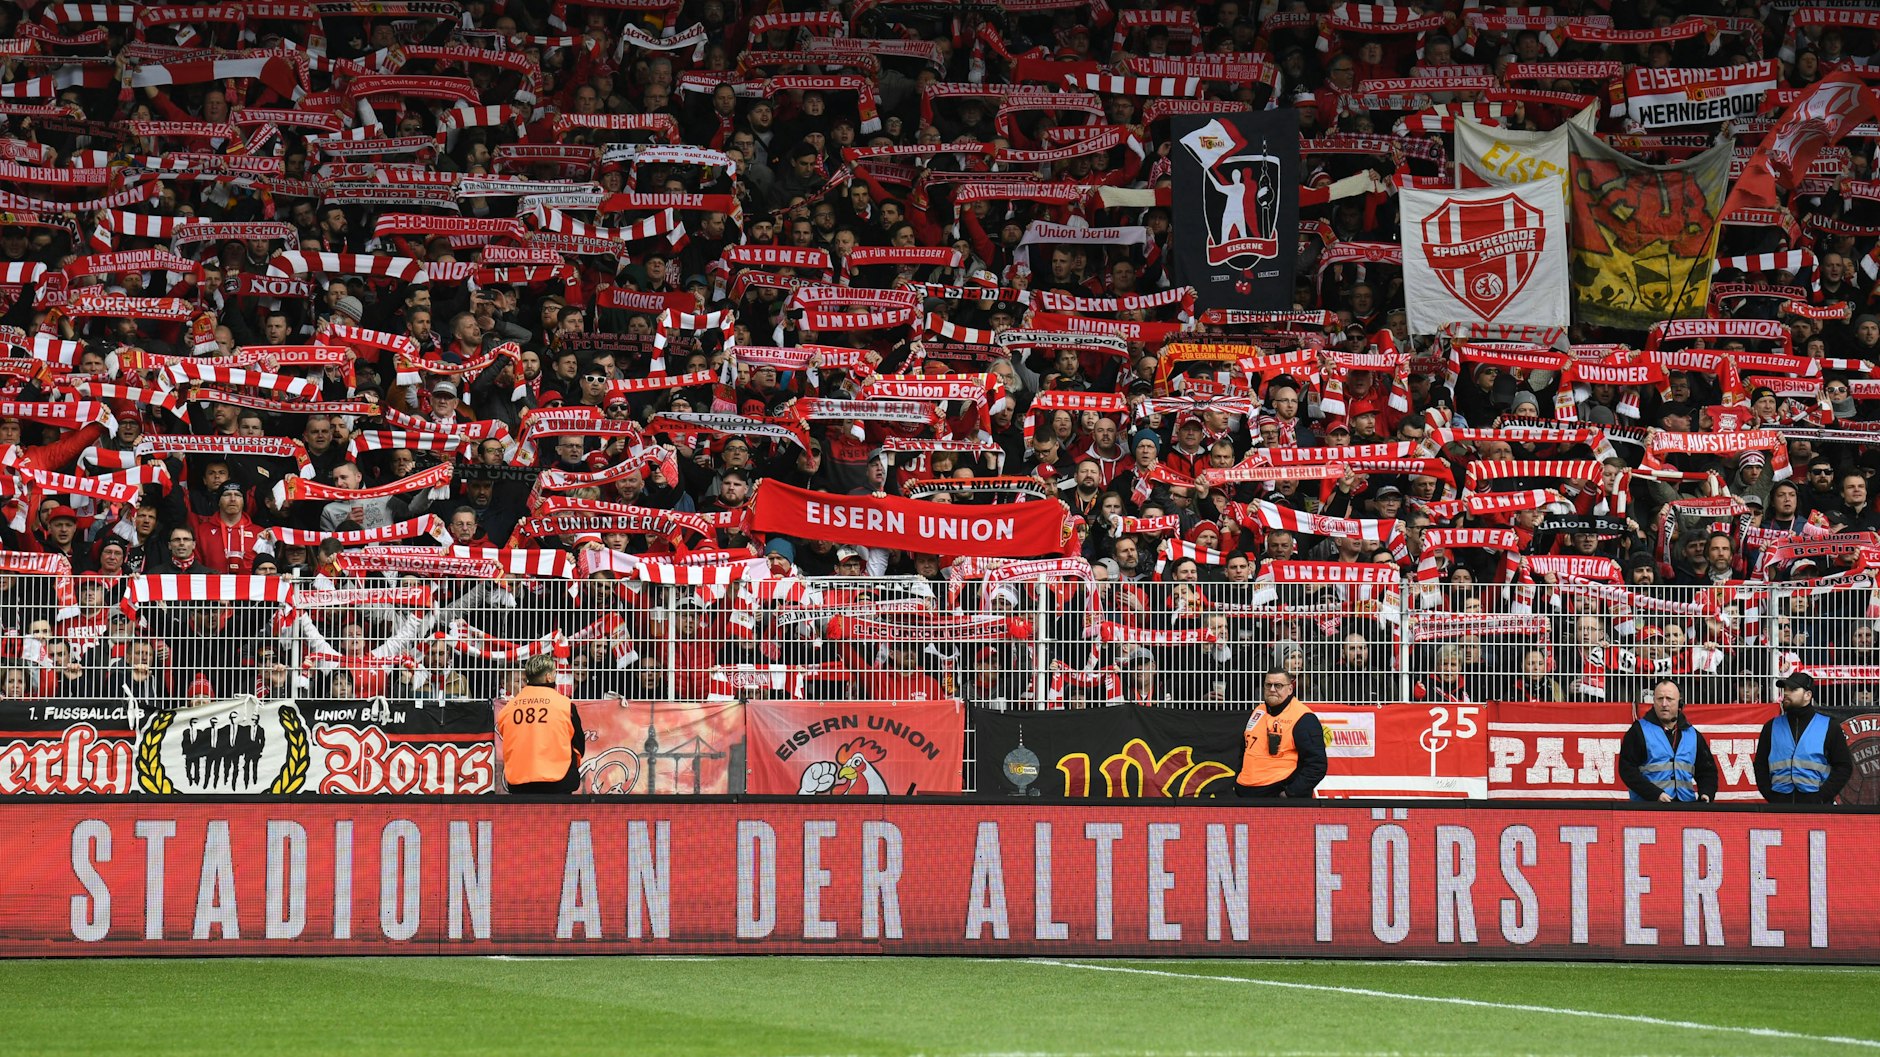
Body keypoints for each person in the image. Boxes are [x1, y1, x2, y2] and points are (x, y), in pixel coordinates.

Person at [1755, 673, 1853, 804]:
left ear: (1808, 695)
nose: (1787, 693)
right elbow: (1760, 765)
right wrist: (1770, 795)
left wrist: (1822, 797)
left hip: (1816, 807)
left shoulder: (1829, 727)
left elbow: (1843, 766)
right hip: (1779, 806)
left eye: (1793, 689)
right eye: (1786, 689)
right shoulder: (1771, 727)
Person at [496, 655, 585, 794]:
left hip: (519, 785)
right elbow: (580, 747)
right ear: (549, 677)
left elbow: (505, 736)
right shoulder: (566, 706)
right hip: (559, 783)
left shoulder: (508, 709)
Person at [1618, 679, 1717, 803]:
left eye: (1669, 699)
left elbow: (1707, 770)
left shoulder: (1693, 735)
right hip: (1648, 808)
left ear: (1679, 702)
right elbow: (1627, 770)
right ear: (1653, 701)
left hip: (1686, 809)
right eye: (1660, 699)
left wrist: (1706, 793)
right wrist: (1655, 794)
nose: (1664, 704)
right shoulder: (1638, 731)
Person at [1234, 668, 1326, 799]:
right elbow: (1245, 749)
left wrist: (1290, 793)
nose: (1272, 689)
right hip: (1245, 794)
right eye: (1268, 685)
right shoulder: (1258, 711)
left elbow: (1317, 765)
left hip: (1277, 798)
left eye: (1278, 685)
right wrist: (1238, 782)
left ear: (1290, 689)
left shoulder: (1303, 718)